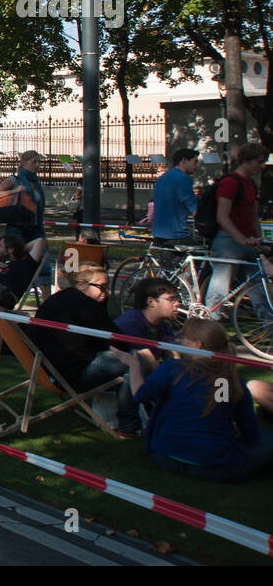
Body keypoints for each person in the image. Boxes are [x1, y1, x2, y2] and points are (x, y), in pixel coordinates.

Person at [116, 318, 273, 481]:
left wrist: (133, 364)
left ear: (198, 344)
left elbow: (140, 394)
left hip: (166, 457)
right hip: (215, 465)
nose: (180, 341)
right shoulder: (228, 379)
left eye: (185, 337)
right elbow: (249, 431)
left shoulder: (173, 368)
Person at [26, 265, 141, 437]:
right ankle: (129, 425)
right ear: (81, 284)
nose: (107, 292)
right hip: (71, 375)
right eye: (101, 286)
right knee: (132, 361)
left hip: (48, 369)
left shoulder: (60, 298)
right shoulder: (84, 304)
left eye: (107, 287)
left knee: (127, 357)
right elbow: (119, 340)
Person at [202, 143, 270, 316]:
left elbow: (253, 217)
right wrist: (242, 239)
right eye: (259, 162)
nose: (262, 166)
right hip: (228, 242)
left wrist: (259, 240)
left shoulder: (251, 185)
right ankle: (208, 327)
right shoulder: (230, 183)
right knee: (220, 290)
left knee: (259, 287)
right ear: (246, 160)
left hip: (248, 242)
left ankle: (268, 328)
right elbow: (222, 217)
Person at [113, 277, 179, 371]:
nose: (177, 303)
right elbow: (150, 364)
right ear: (151, 302)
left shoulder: (164, 326)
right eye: (171, 299)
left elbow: (174, 361)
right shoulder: (130, 324)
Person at [0, 150, 46, 244]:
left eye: (39, 162)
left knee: (41, 256)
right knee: (19, 257)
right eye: (34, 162)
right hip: (16, 230)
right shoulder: (14, 180)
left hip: (36, 229)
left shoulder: (36, 183)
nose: (38, 165)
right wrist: (15, 191)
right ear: (24, 163)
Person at [151, 148, 200, 245]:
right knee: (199, 256)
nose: (197, 165)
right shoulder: (183, 179)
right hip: (176, 234)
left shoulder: (162, 178)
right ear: (184, 161)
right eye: (195, 162)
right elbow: (193, 207)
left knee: (169, 260)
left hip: (158, 232)